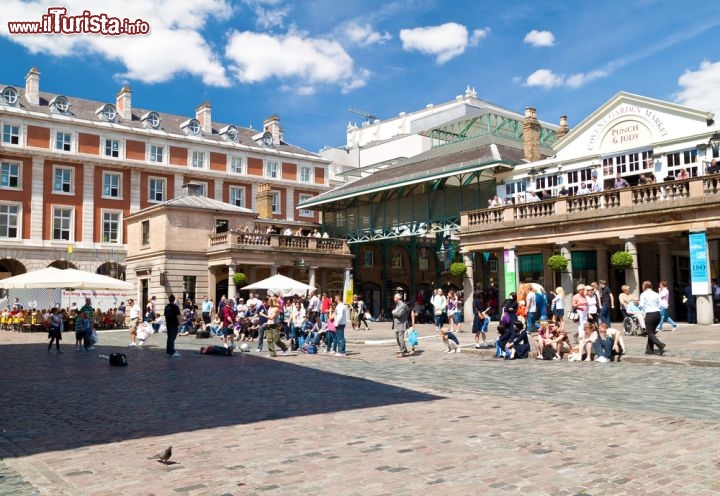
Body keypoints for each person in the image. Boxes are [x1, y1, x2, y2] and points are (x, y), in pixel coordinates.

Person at [639, 281, 666, 355]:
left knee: (649, 332)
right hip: (657, 314)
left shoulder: (643, 294)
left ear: (644, 286)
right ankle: (649, 350)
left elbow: (641, 305)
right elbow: (661, 304)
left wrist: (640, 307)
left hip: (650, 314)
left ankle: (660, 344)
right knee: (651, 332)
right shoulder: (656, 294)